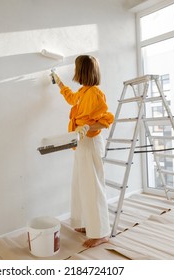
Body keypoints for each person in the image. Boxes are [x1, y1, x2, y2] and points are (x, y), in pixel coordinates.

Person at [51, 55, 114, 248]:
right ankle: (85, 223)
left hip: (90, 143)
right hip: (80, 143)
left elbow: (104, 121)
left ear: (83, 71)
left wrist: (86, 128)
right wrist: (59, 82)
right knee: (80, 183)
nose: (74, 72)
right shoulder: (83, 92)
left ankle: (101, 232)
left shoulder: (95, 93)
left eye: (76, 68)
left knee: (92, 187)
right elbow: (71, 99)